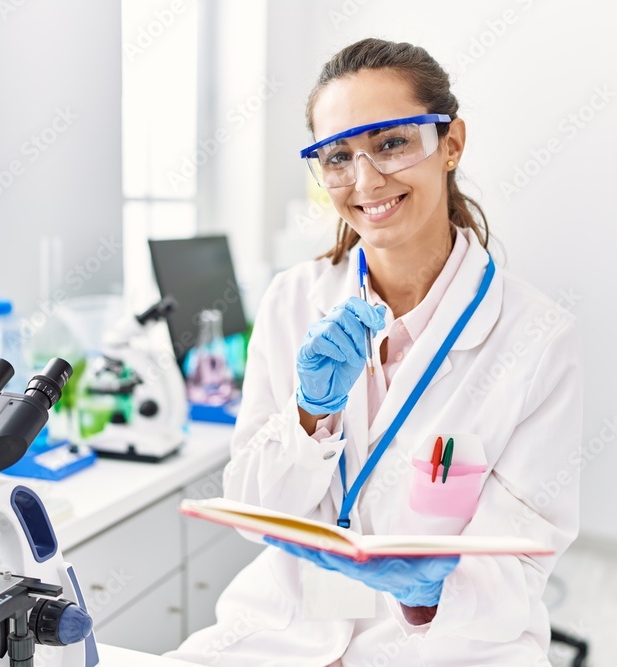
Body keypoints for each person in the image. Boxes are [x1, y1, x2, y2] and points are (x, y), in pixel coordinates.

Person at [166, 37, 583, 666]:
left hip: (448, 646)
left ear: (451, 144)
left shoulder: (537, 338)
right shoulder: (291, 301)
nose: (365, 180)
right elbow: (255, 516)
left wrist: (431, 591)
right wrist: (308, 416)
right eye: (337, 157)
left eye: (392, 143)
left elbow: (522, 556)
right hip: (285, 628)